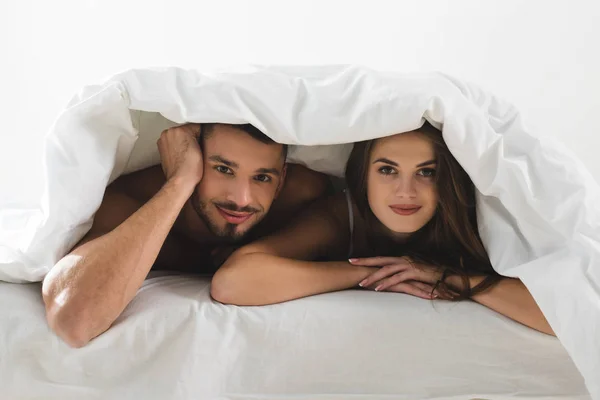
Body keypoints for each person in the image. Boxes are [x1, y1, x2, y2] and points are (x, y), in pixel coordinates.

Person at [211, 122, 554, 336]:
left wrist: (443, 275)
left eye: (426, 172)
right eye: (387, 171)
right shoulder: (339, 215)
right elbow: (233, 282)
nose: (406, 191)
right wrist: (378, 272)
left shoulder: (471, 219)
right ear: (363, 176)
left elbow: (564, 316)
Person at [42, 122, 330, 347]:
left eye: (262, 177)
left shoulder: (302, 196)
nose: (242, 199)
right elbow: (75, 322)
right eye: (223, 169)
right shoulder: (129, 203)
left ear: (280, 182)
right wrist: (179, 181)